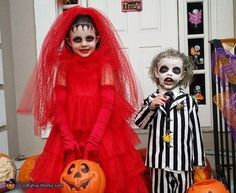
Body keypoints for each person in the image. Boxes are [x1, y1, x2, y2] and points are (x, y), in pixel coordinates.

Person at [17, 6, 148, 193]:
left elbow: (107, 104)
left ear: (98, 39)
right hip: (69, 128)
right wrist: (67, 136)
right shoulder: (63, 68)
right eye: (77, 40)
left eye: (89, 39)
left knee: (109, 174)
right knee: (69, 174)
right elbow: (59, 105)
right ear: (69, 42)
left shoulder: (105, 66)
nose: (84, 44)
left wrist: (95, 138)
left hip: (101, 130)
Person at [135, 48, 205, 193]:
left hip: (183, 161)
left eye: (176, 71)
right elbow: (140, 123)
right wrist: (151, 107)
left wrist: (198, 161)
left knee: (185, 190)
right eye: (164, 69)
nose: (169, 74)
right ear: (156, 72)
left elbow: (196, 133)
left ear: (182, 75)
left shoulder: (188, 101)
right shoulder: (151, 100)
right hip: (159, 162)